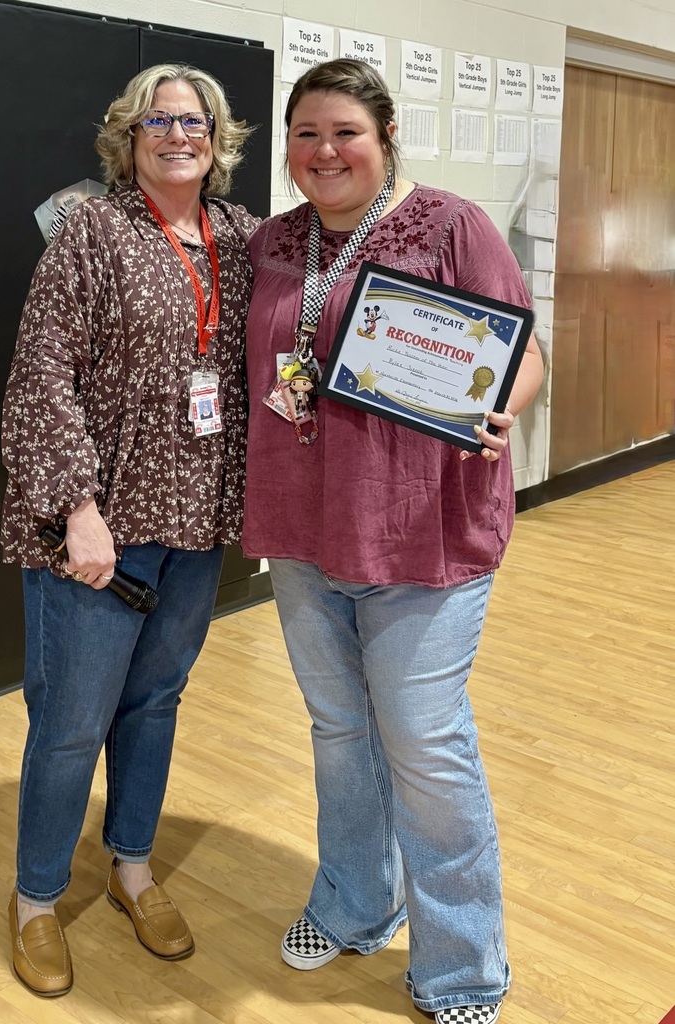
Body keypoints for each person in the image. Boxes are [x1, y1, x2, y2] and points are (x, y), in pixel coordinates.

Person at [242, 59, 543, 1024]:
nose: (324, 153)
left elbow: (522, 350)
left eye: (345, 133)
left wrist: (504, 411)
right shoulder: (277, 240)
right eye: (306, 135)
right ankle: (354, 904)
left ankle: (460, 967)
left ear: (384, 137)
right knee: (339, 735)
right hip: (303, 528)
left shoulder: (450, 226)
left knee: (424, 743)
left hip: (423, 532)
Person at [0, 63, 257, 997]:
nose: (176, 133)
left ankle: (133, 870)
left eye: (194, 121)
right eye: (158, 120)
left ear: (219, 138)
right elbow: (40, 380)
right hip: (98, 532)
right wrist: (77, 511)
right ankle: (35, 899)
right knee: (68, 724)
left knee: (155, 704)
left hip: (196, 524)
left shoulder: (242, 237)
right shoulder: (90, 234)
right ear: (129, 134)